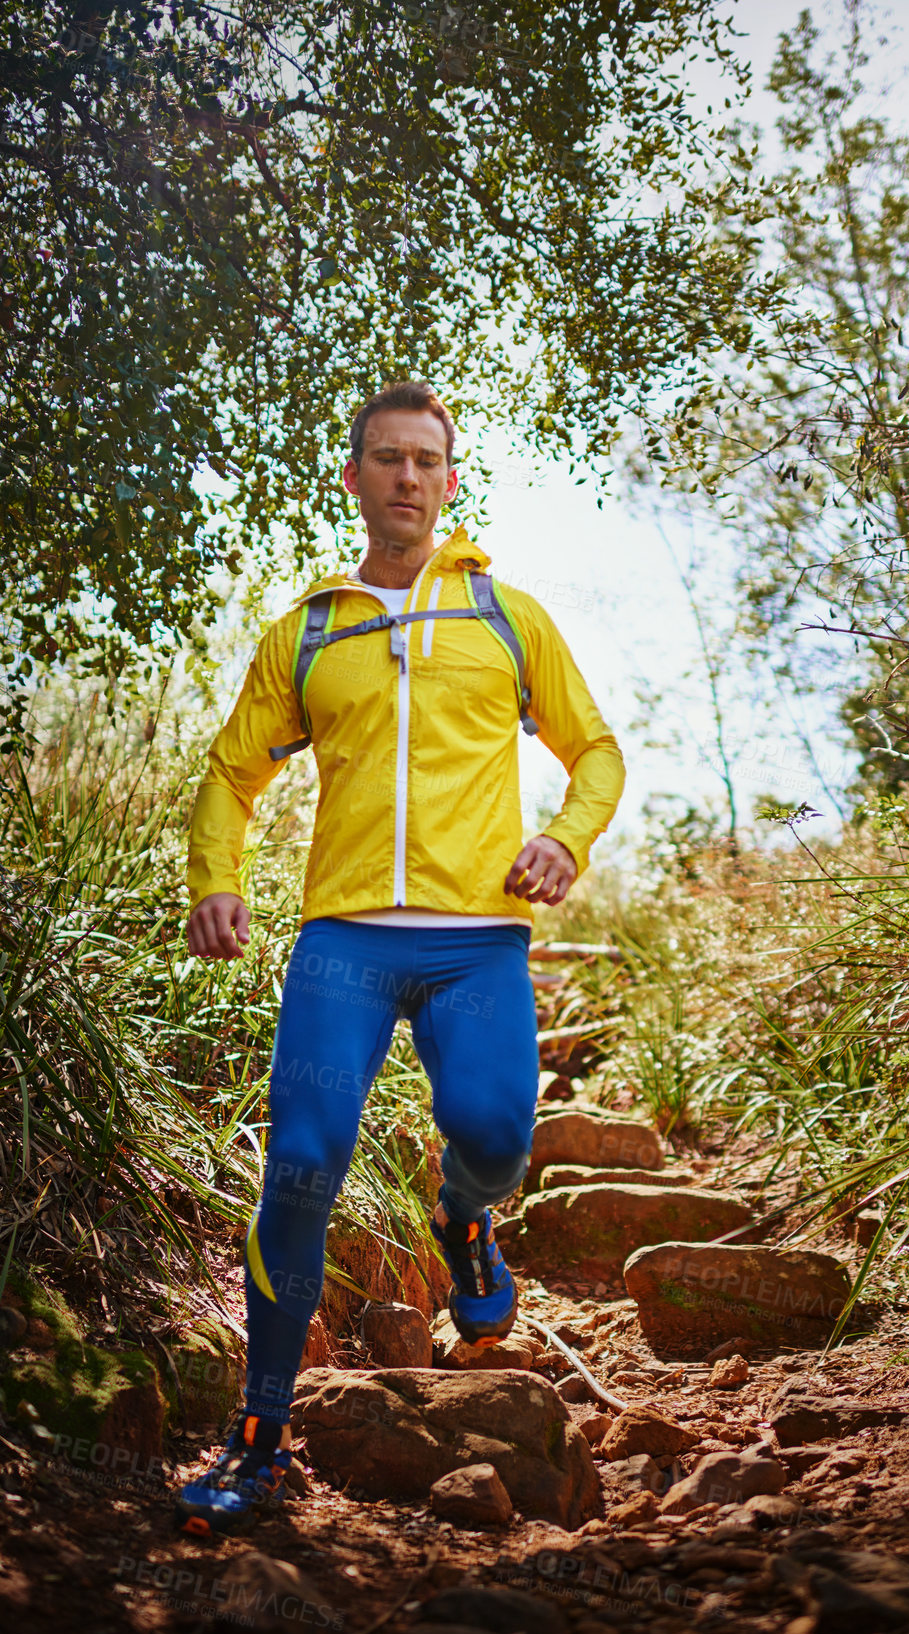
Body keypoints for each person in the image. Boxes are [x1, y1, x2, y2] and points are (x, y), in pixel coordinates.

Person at [175, 380, 625, 1536]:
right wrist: (215, 881)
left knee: (496, 1133)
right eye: (387, 459)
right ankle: (260, 1435)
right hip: (344, 948)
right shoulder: (312, 630)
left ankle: (463, 1217)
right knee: (303, 1168)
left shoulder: (505, 618)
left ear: (452, 480)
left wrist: (564, 839)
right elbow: (231, 772)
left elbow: (597, 753)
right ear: (356, 478)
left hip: (477, 945)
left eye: (428, 460)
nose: (408, 479)